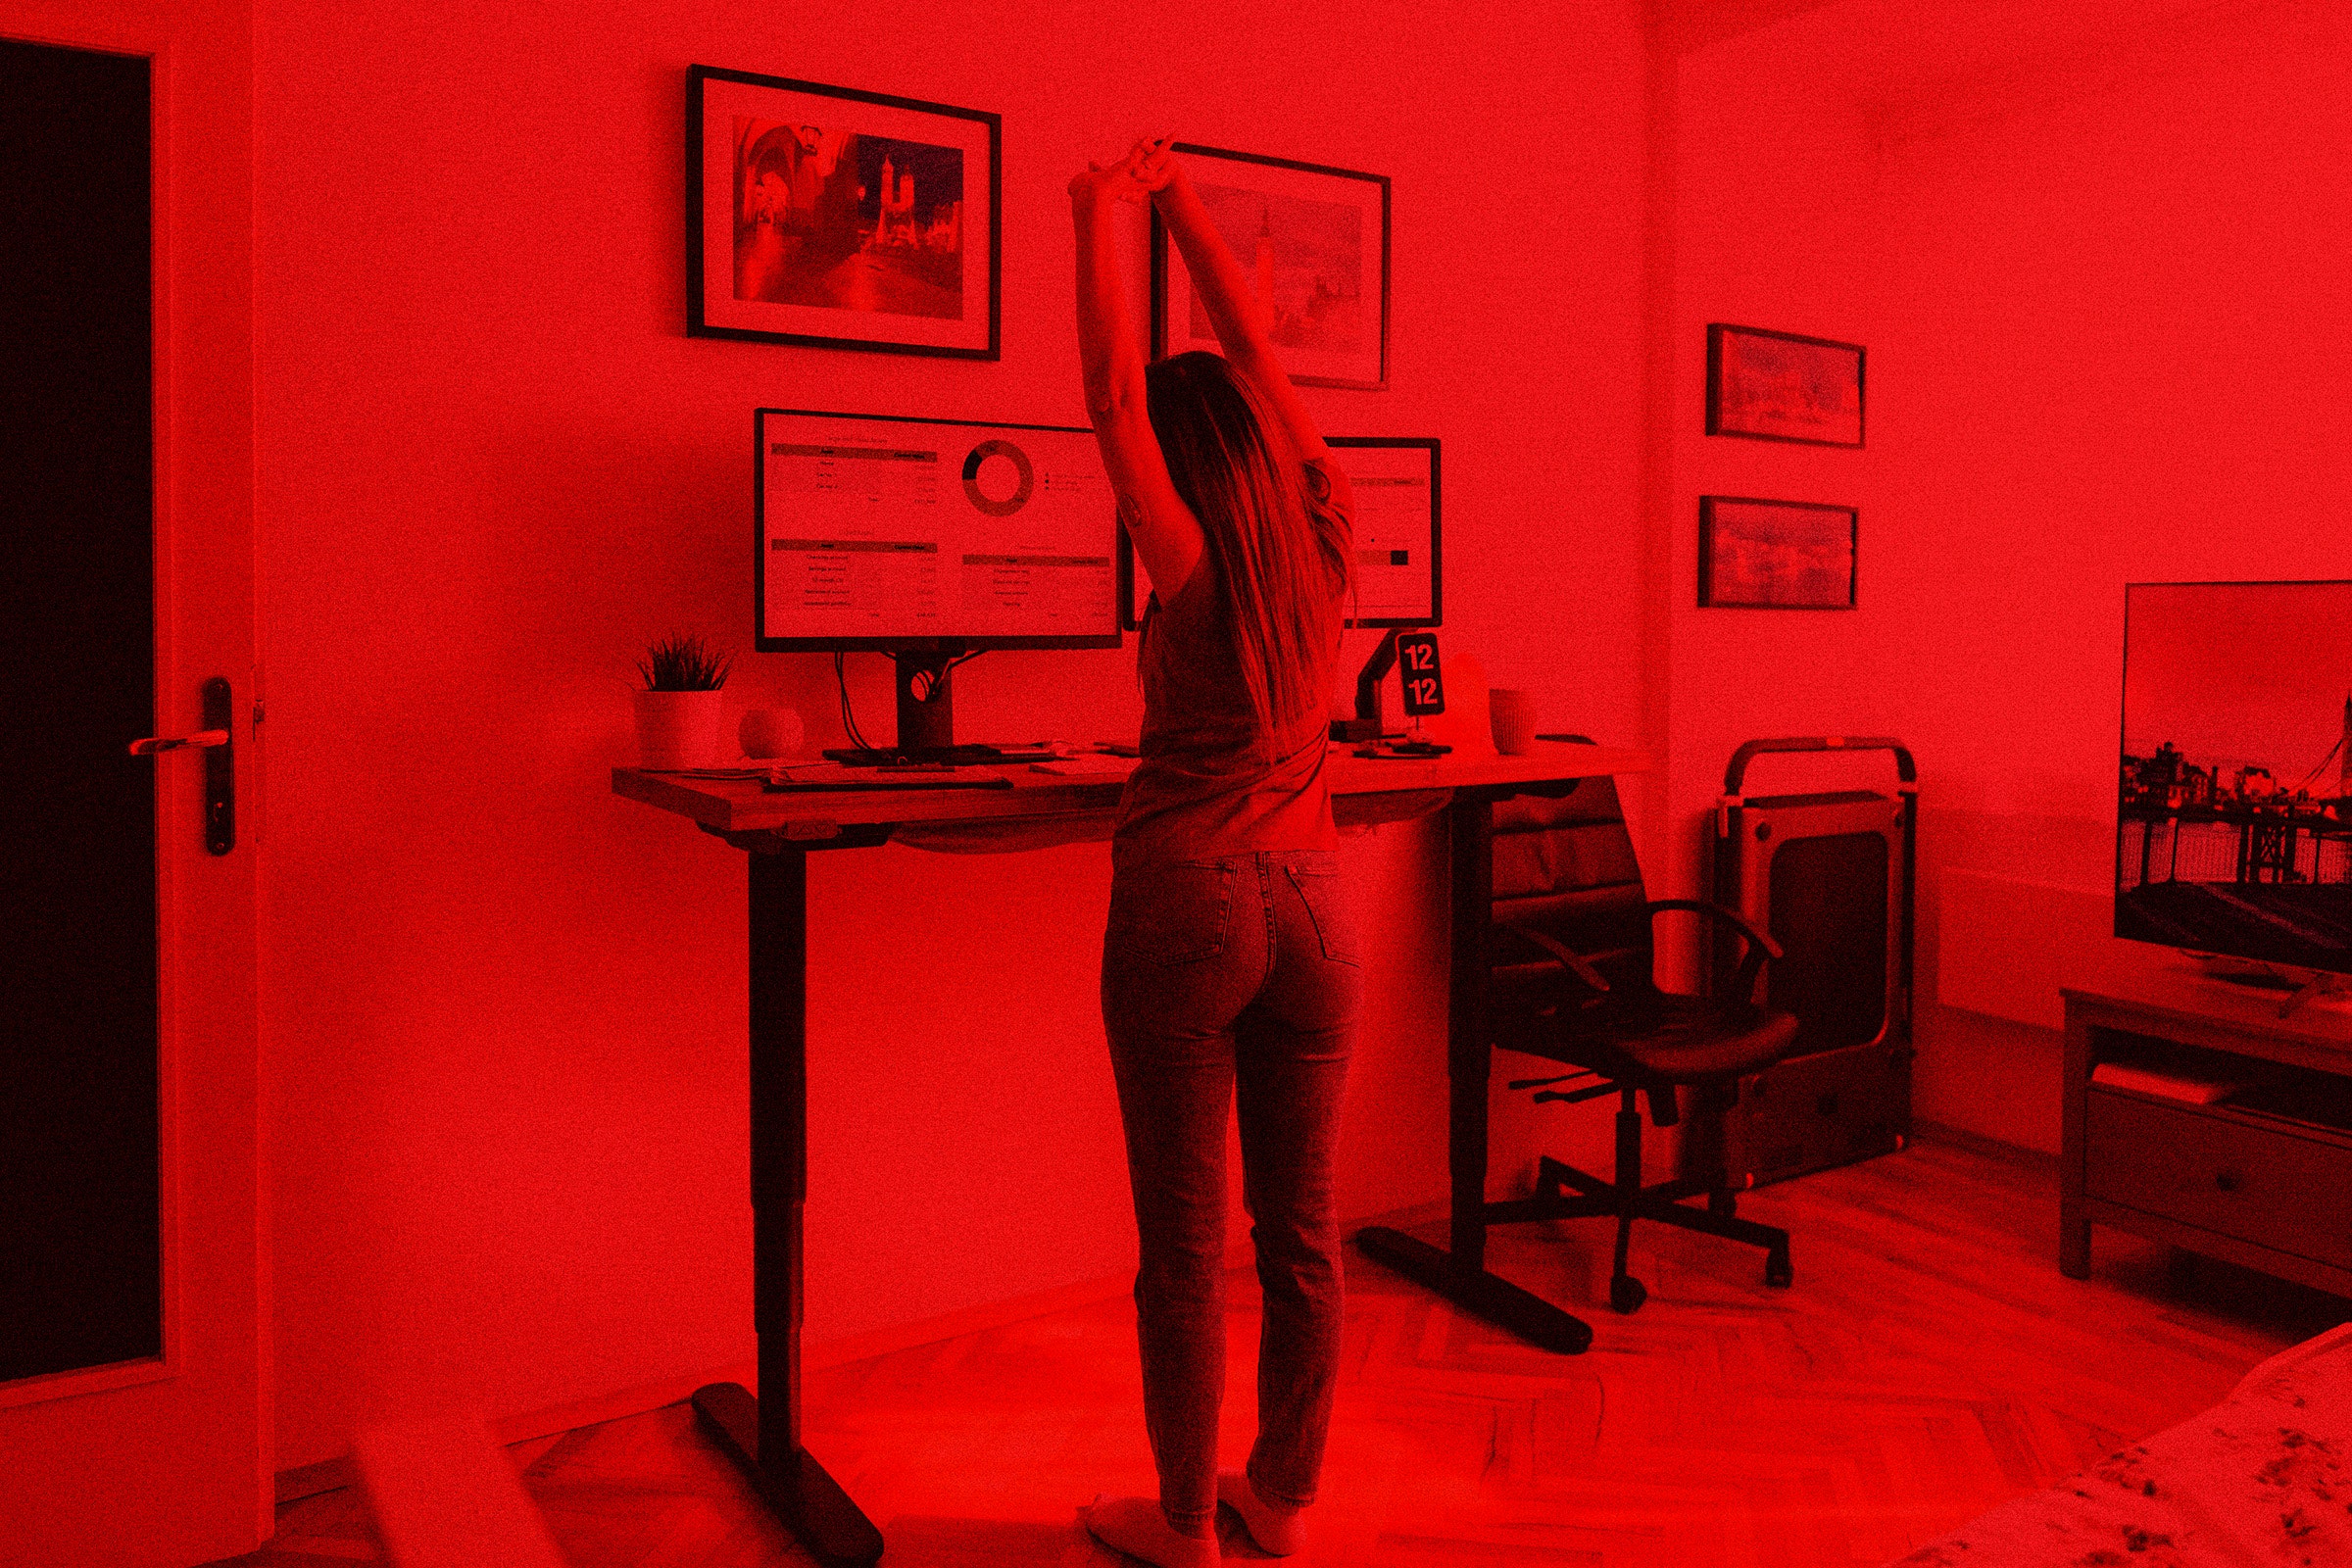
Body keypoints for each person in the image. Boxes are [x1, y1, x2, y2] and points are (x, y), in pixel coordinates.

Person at [1070, 135, 1360, 1568]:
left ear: (1179, 469)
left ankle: (1183, 1529)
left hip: (1189, 904)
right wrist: (1175, 196)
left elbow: (1116, 393)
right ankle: (1283, 1506)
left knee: (1186, 1251)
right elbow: (1249, 338)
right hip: (1318, 906)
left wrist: (1090, 210)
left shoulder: (1183, 568)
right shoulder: (1327, 526)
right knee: (1301, 1238)